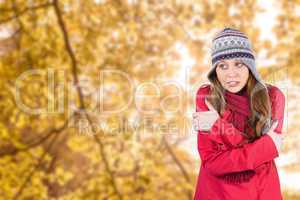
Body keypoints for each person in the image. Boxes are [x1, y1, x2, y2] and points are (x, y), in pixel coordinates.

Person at [192, 27, 285, 200]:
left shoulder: (273, 97)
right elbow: (212, 163)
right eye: (222, 66)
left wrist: (217, 125)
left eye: (238, 64)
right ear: (215, 70)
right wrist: (264, 147)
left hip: (260, 191)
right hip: (216, 192)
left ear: (250, 65)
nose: (231, 74)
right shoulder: (206, 96)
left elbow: (262, 164)